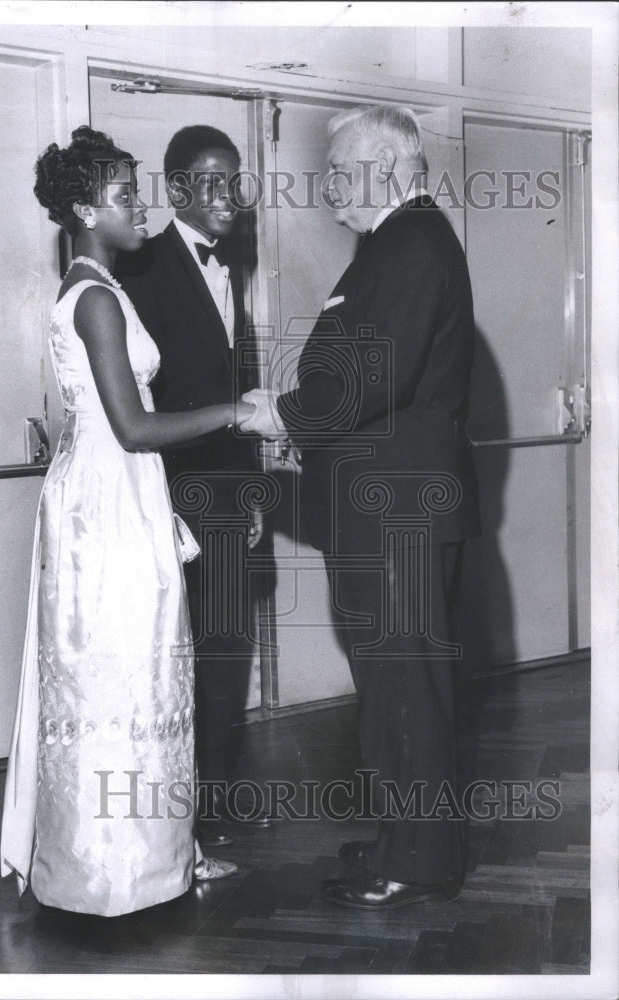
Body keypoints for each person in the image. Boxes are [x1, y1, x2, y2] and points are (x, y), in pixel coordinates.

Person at [0, 126, 259, 917]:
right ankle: (114, 870)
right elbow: (135, 428)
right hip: (111, 500)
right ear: (84, 210)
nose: (140, 207)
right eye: (125, 197)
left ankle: (157, 857)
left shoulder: (92, 288)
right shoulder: (99, 301)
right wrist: (239, 413)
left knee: (138, 679)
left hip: (118, 493)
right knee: (121, 679)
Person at [241, 105, 480, 909]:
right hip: (387, 515)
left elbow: (375, 378)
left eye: (340, 169)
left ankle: (417, 859)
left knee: (406, 692)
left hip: (397, 520)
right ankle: (403, 840)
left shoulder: (410, 245)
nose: (330, 185)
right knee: (393, 691)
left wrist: (281, 412)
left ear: (384, 167)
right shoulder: (394, 245)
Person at [120, 126, 277, 847]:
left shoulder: (231, 270)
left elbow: (238, 391)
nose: (229, 196)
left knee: (222, 652)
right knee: (167, 657)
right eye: (211, 182)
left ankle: (211, 805)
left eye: (235, 180)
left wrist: (249, 492)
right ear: (176, 189)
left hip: (222, 495)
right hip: (165, 492)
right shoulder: (140, 267)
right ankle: (168, 811)